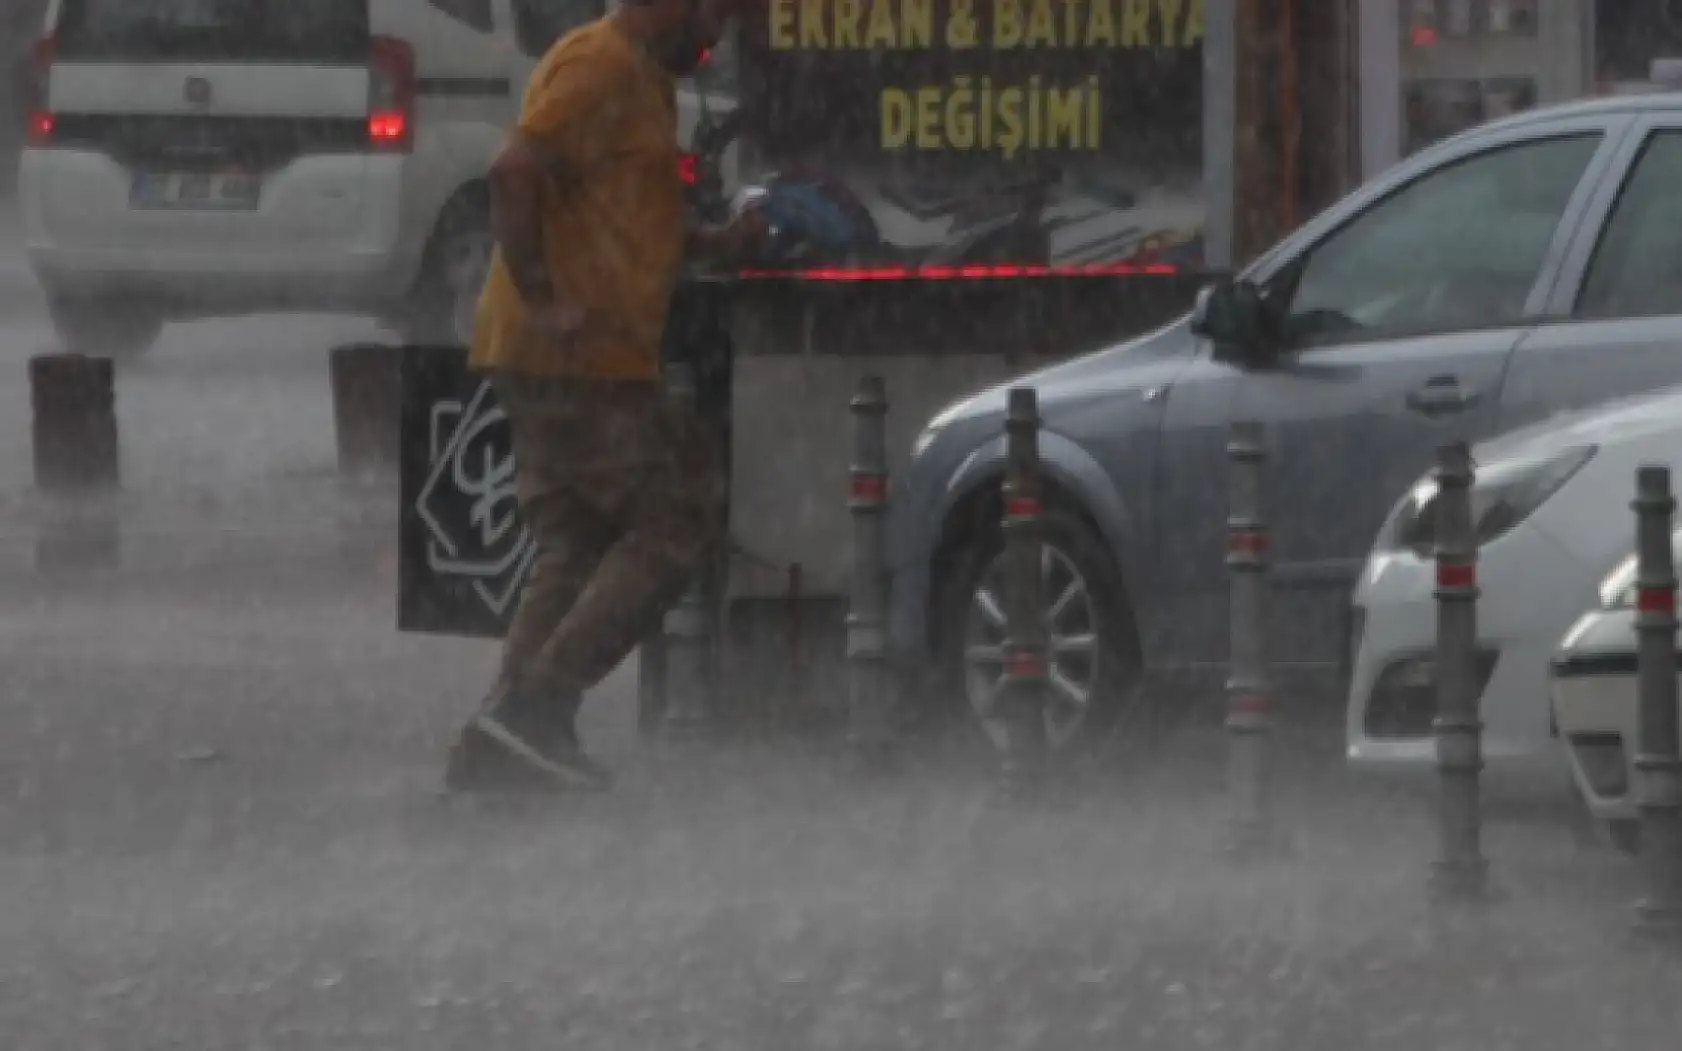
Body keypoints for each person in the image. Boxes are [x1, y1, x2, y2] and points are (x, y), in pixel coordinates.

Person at [445, 0, 760, 795]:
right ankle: (538, 708)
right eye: (709, 15)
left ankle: (499, 739)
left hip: (586, 357)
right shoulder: (598, 64)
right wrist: (547, 298)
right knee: (678, 520)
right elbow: (513, 171)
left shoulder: (645, 79)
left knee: (578, 540)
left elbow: (628, 210)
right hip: (571, 358)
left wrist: (716, 243)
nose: (715, 35)